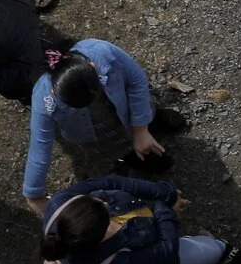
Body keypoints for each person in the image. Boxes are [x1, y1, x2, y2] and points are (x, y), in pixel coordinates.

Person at [38, 174, 241, 264]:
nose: (105, 201)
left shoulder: (61, 205)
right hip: (161, 262)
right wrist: (165, 208)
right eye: (106, 211)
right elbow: (167, 249)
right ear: (99, 237)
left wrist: (165, 192)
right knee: (214, 249)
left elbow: (111, 183)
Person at [19, 39, 184, 207]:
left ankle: (153, 120)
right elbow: (39, 147)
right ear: (56, 92)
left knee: (146, 112)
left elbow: (136, 80)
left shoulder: (101, 52)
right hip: (102, 135)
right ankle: (140, 157)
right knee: (144, 159)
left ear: (92, 65)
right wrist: (33, 193)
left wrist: (140, 129)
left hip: (126, 107)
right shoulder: (43, 100)